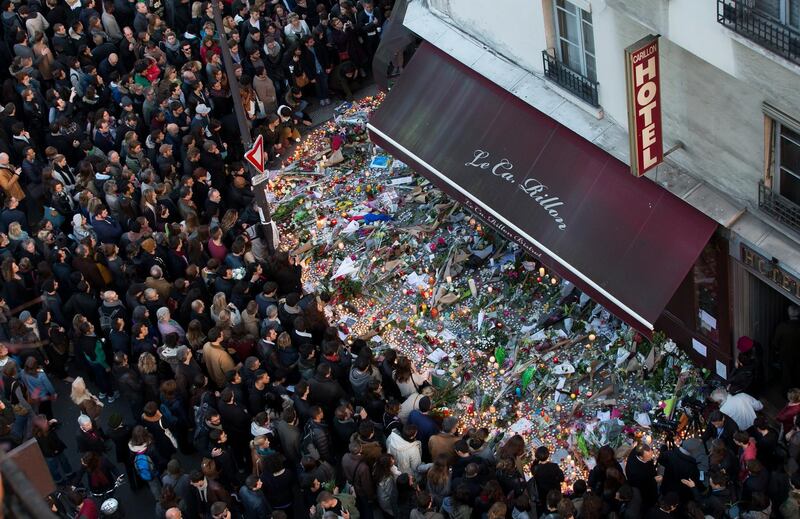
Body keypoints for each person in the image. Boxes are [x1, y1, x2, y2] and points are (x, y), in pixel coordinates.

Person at [774, 305, 800, 392]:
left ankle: (787, 396)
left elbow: (775, 342)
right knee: (798, 375)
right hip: (798, 356)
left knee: (786, 377)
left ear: (789, 313)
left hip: (785, 356)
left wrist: (776, 351)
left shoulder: (782, 326)